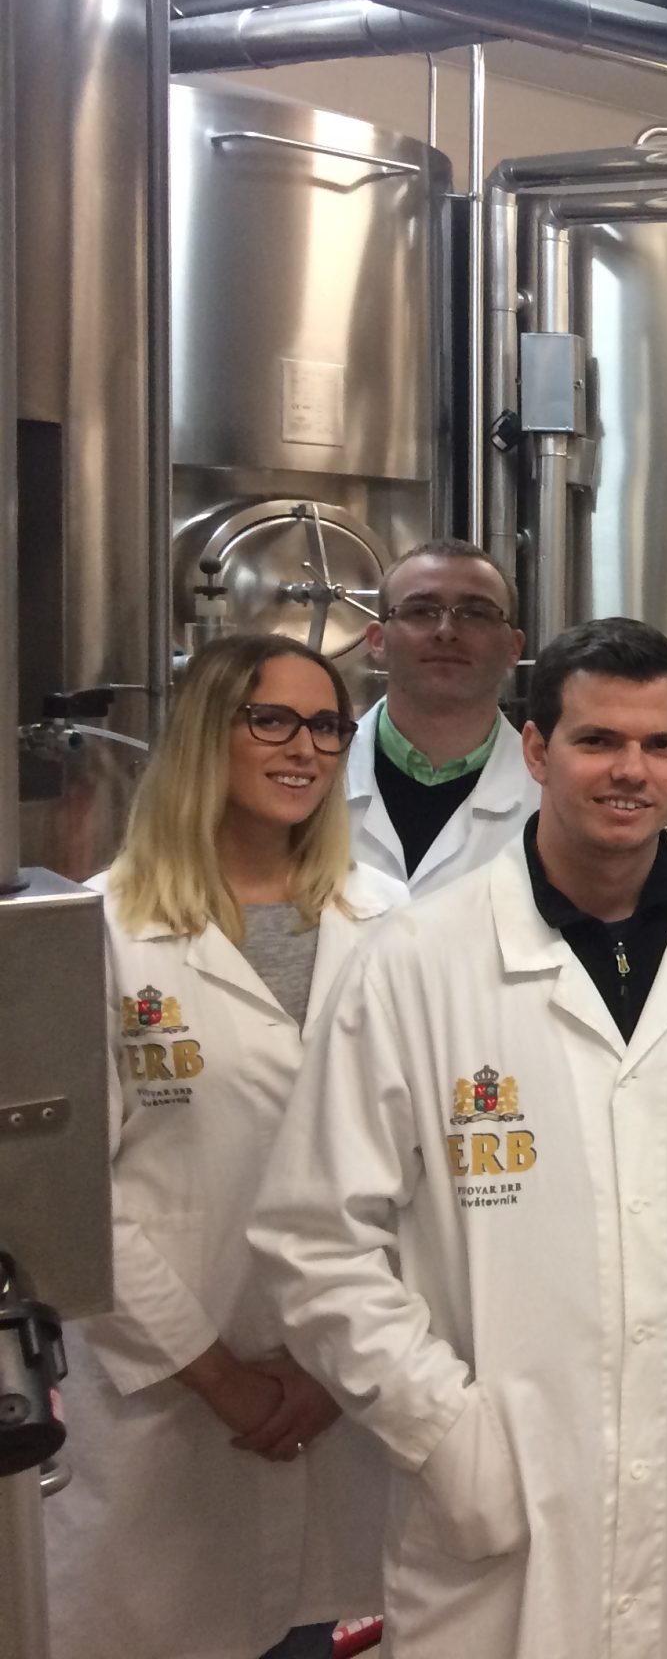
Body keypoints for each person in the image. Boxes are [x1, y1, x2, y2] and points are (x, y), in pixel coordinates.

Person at [250, 618, 667, 1659]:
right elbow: (315, 1238)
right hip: (496, 1507)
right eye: (598, 740)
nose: (631, 771)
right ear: (536, 749)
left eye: (660, 744)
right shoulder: (420, 961)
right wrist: (444, 1431)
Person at [49, 633, 404, 1659]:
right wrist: (220, 1376)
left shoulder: (392, 921)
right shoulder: (103, 931)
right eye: (272, 719)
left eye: (327, 725)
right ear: (209, 732)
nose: (306, 748)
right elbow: (73, 1195)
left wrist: (336, 1369)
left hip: (350, 1397)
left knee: (330, 1617)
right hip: (167, 1410)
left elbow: (427, 1169)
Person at [346, 538, 535, 894]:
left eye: (476, 614)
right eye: (421, 611)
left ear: (514, 648)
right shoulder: (317, 776)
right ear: (377, 641)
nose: (446, 631)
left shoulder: (553, 796)